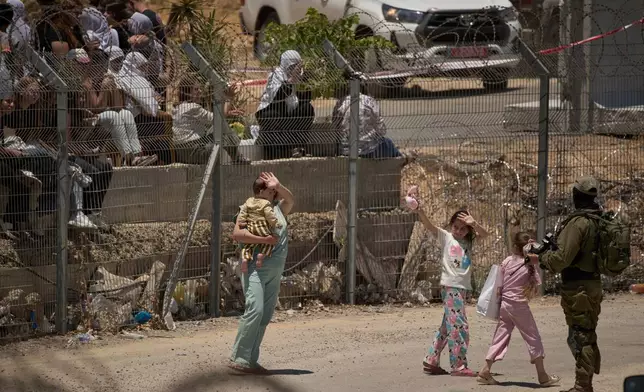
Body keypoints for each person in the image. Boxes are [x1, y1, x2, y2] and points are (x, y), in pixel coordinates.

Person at [526, 176, 604, 392]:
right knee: (585, 332)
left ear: (576, 196)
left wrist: (539, 259)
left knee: (581, 335)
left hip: (578, 288)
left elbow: (561, 260)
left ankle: (583, 386)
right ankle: (585, 382)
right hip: (592, 284)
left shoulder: (579, 223)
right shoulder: (598, 219)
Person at [406, 185, 490, 377]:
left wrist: (474, 223)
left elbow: (485, 235)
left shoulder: (468, 241)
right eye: (455, 227)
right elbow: (428, 224)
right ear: (450, 226)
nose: (458, 231)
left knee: (449, 324)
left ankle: (431, 359)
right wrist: (419, 209)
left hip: (460, 287)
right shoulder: (446, 237)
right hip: (451, 286)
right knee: (459, 325)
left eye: (462, 229)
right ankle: (458, 365)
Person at [228, 172, 294, 374]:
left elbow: (291, 199)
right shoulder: (247, 208)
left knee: (265, 315)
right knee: (254, 310)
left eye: (275, 191)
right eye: (271, 190)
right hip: (256, 269)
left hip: (275, 270)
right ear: (260, 191)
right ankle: (238, 358)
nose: (274, 193)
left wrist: (279, 184)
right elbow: (237, 234)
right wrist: (264, 241)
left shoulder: (278, 210)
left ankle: (250, 360)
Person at [477, 231, 560, 387]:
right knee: (533, 337)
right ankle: (543, 376)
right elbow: (535, 288)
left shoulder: (507, 261)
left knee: (500, 337)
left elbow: (499, 285)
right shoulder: (530, 265)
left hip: (504, 306)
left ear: (514, 247)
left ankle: (485, 371)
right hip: (519, 305)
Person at [172, 76, 248, 164]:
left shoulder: (178, 108)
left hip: (181, 153)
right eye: (196, 89)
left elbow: (215, 117)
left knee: (216, 127)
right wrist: (228, 98)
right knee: (220, 128)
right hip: (194, 152)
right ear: (187, 92)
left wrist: (227, 113)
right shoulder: (192, 107)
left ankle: (237, 156)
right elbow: (218, 118)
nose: (200, 91)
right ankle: (237, 158)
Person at [255, 50, 315, 160]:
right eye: (292, 66)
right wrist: (291, 80)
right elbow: (277, 97)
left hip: (289, 113)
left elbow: (306, 98)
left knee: (307, 109)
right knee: (272, 114)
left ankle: (297, 147)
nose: (294, 69)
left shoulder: (301, 75)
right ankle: (274, 152)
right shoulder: (276, 75)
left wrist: (305, 82)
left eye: (296, 66)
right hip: (272, 111)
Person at [332, 83, 403, 159]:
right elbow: (381, 129)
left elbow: (335, 125)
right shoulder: (369, 101)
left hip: (345, 149)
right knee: (388, 143)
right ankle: (399, 162)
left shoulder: (341, 103)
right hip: (368, 150)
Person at [237, 178, 283, 273]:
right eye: (269, 192)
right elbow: (270, 216)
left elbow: (243, 212)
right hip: (262, 226)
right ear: (262, 192)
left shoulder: (248, 201)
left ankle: (245, 259)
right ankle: (261, 256)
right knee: (271, 241)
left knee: (248, 245)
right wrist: (276, 224)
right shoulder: (266, 203)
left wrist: (242, 221)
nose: (271, 194)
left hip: (251, 227)